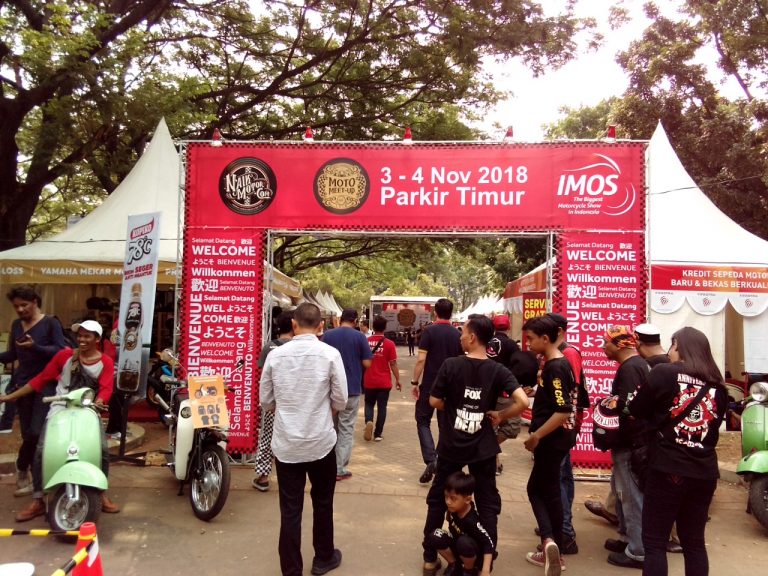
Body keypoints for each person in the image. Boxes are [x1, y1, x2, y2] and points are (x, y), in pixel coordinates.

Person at [422, 314, 528, 576]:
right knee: (487, 501)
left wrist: (453, 408)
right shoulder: (498, 369)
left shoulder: (451, 365)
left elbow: (434, 401)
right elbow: (523, 402)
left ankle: (430, 558)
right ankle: (484, 562)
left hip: (451, 445)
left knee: (438, 498)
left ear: (471, 337)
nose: (460, 338)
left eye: (463, 334)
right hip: (483, 446)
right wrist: (501, 415)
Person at [628, 327, 727, 576]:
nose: (669, 352)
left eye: (672, 347)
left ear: (678, 346)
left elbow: (636, 409)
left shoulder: (664, 373)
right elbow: (712, 428)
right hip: (704, 472)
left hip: (668, 467)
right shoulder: (718, 386)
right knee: (694, 542)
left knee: (655, 542)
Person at [260, 303, 348, 576]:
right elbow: (341, 399)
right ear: (321, 326)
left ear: (294, 325)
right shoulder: (330, 354)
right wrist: (324, 413)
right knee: (323, 502)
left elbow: (266, 401)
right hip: (321, 441)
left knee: (290, 508)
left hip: (287, 444)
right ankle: (323, 557)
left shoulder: (276, 356)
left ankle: (291, 570)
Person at [0, 320, 119, 520]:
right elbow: (41, 379)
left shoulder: (105, 361)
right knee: (42, 449)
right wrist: (10, 396)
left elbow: (106, 388)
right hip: (60, 407)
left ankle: (101, 493)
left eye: (87, 336)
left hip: (88, 408)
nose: (82, 339)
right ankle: (38, 499)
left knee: (101, 449)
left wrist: (99, 402)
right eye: (79, 335)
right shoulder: (64, 356)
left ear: (97, 339)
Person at [521, 314, 575, 576]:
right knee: (549, 491)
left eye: (530, 339)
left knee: (538, 490)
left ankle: (551, 543)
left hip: (552, 441)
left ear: (545, 338)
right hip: (557, 440)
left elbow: (563, 410)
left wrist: (537, 436)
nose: (527, 343)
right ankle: (554, 545)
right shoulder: (555, 364)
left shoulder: (556, 367)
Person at [0, 286, 66, 499]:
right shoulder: (16, 325)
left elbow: (60, 351)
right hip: (23, 385)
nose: (20, 310)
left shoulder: (50, 323)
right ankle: (26, 471)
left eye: (24, 305)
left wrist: (35, 346)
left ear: (35, 302)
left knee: (37, 432)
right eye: (16, 306)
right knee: (28, 433)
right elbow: (13, 353)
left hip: (46, 385)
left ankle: (32, 474)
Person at [601, 325, 649, 569]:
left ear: (619, 345)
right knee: (622, 493)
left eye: (606, 342)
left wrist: (610, 407)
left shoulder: (631, 368)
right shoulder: (635, 365)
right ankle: (628, 538)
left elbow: (629, 409)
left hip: (630, 444)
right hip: (631, 442)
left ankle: (637, 550)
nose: (603, 347)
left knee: (631, 496)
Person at [547, 312, 591, 555]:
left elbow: (569, 394)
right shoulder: (561, 353)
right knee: (562, 476)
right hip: (565, 425)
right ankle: (559, 523)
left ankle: (564, 531)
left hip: (564, 426)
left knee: (558, 478)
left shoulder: (568, 354)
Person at [411, 298, 463, 484]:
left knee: (422, 420)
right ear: (451, 312)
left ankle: (430, 459)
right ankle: (440, 461)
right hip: (451, 387)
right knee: (444, 424)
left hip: (430, 384)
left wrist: (414, 381)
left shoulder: (429, 332)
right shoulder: (458, 334)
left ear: (435, 312)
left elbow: (421, 360)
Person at [322, 308, 372, 480]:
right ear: (355, 321)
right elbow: (367, 363)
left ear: (341, 318)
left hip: (330, 390)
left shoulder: (328, 335)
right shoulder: (360, 337)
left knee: (331, 428)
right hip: (351, 389)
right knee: (346, 429)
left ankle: (327, 465)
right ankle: (339, 468)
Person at [252, 310, 295, 491]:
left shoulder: (269, 347)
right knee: (293, 438)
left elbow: (263, 377)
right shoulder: (300, 348)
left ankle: (263, 477)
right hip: (295, 403)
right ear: (294, 326)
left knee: (267, 438)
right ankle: (294, 477)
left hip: (273, 403)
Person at [425, 471, 495, 576]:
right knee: (435, 535)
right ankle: (454, 565)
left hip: (473, 553)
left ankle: (468, 571)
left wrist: (485, 570)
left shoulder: (472, 521)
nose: (448, 502)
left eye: (453, 498)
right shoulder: (453, 509)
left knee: (464, 542)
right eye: (446, 497)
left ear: (467, 499)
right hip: (458, 546)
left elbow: (488, 544)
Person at [485, 314, 522, 475]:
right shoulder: (512, 345)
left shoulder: (486, 343)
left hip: (487, 391)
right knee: (512, 427)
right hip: (505, 393)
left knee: (491, 427)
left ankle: (490, 454)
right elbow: (519, 367)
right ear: (508, 327)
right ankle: (493, 460)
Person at [363, 316, 401, 442]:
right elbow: (393, 364)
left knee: (369, 403)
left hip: (369, 380)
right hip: (384, 382)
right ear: (385, 328)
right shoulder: (390, 344)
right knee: (382, 407)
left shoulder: (366, 342)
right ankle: (378, 434)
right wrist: (398, 379)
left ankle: (369, 421)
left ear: (373, 327)